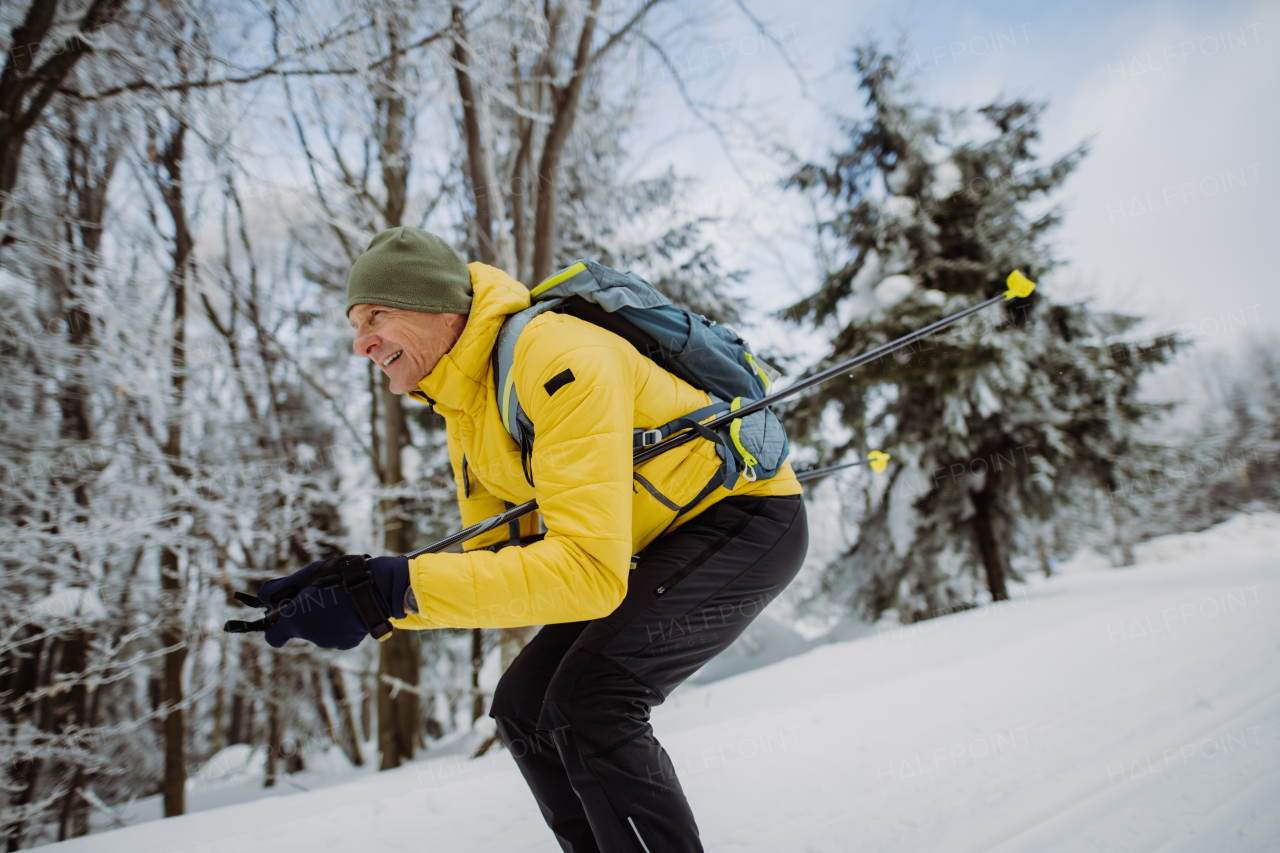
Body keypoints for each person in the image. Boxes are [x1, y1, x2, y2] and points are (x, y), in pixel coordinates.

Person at [255, 226, 808, 853]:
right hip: (649, 546)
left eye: (376, 315)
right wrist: (362, 592)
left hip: (746, 520)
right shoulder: (468, 409)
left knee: (591, 703)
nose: (361, 343)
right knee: (524, 707)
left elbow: (588, 577)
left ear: (438, 307)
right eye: (356, 323)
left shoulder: (557, 359)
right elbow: (508, 572)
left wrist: (391, 593)